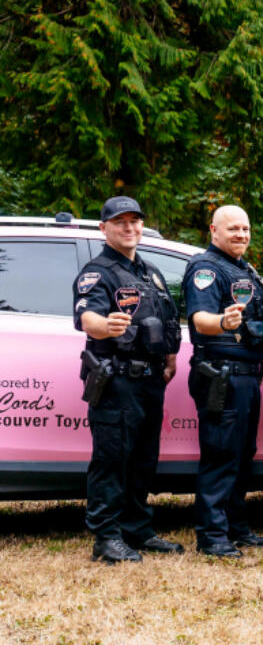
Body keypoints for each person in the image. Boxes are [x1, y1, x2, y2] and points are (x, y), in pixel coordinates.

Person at [72, 196, 183, 563]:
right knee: (112, 459)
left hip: (150, 381)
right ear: (104, 228)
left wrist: (169, 356)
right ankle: (106, 538)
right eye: (120, 222)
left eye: (135, 221)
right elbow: (88, 318)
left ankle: (137, 529)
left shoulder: (148, 271)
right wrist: (107, 326)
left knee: (142, 460)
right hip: (117, 379)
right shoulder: (97, 272)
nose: (130, 228)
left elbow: (164, 317)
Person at [184, 205, 263, 557]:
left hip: (246, 376)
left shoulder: (241, 269)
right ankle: (212, 536)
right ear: (214, 230)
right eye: (233, 228)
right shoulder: (206, 268)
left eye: (246, 228)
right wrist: (224, 322)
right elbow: (201, 319)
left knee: (242, 455)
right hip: (222, 375)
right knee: (221, 455)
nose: (241, 234)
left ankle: (236, 528)